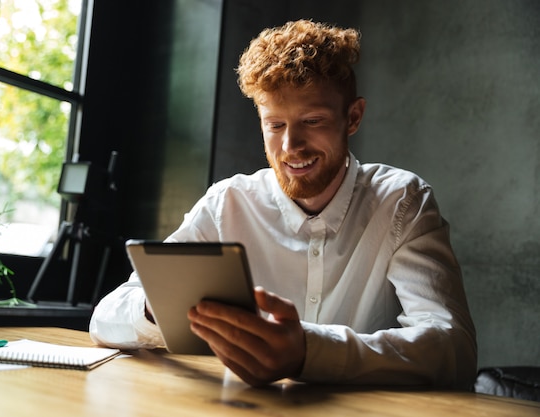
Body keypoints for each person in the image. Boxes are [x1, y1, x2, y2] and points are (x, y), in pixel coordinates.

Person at [90, 19, 477, 389]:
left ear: (353, 117)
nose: (291, 147)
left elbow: (453, 347)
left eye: (312, 120)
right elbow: (105, 319)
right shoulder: (227, 203)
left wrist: (309, 351)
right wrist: (158, 307)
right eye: (275, 125)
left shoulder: (402, 201)